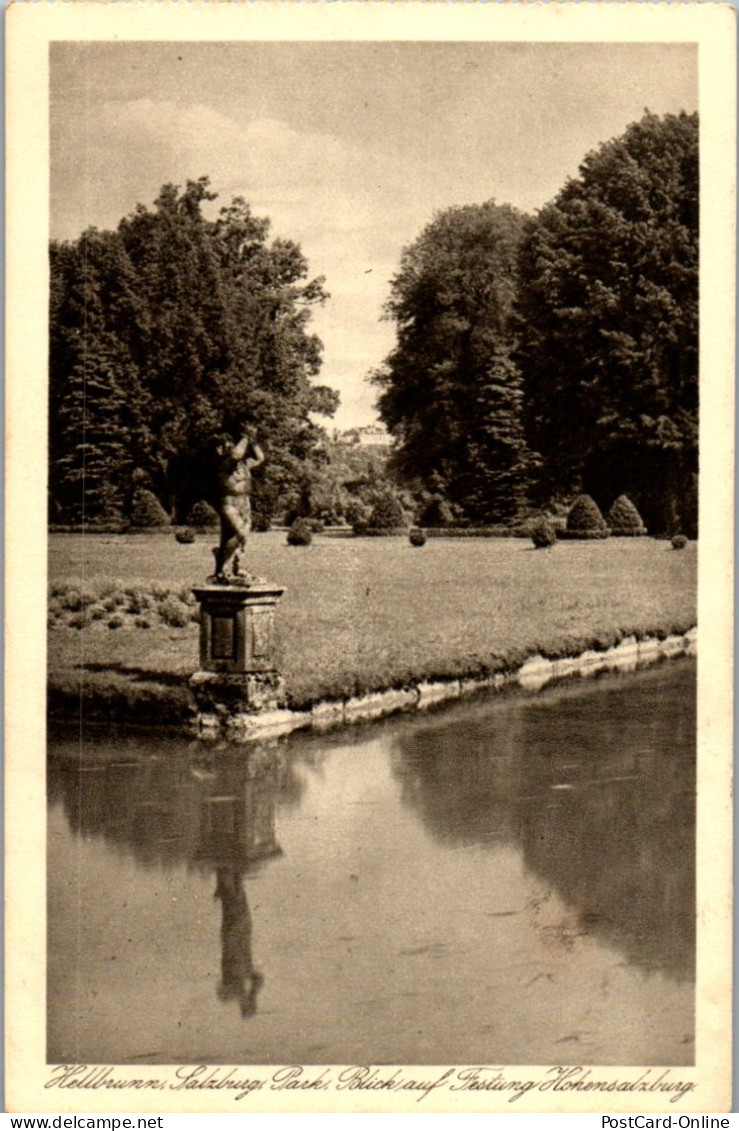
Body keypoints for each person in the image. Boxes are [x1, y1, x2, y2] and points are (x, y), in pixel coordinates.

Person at [211, 428, 264, 582]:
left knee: (239, 538)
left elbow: (260, 458)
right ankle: (223, 565)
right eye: (227, 446)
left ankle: (233, 565)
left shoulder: (244, 465)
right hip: (230, 503)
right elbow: (236, 454)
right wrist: (246, 437)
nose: (231, 448)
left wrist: (253, 442)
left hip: (244, 503)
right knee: (241, 533)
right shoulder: (225, 464)